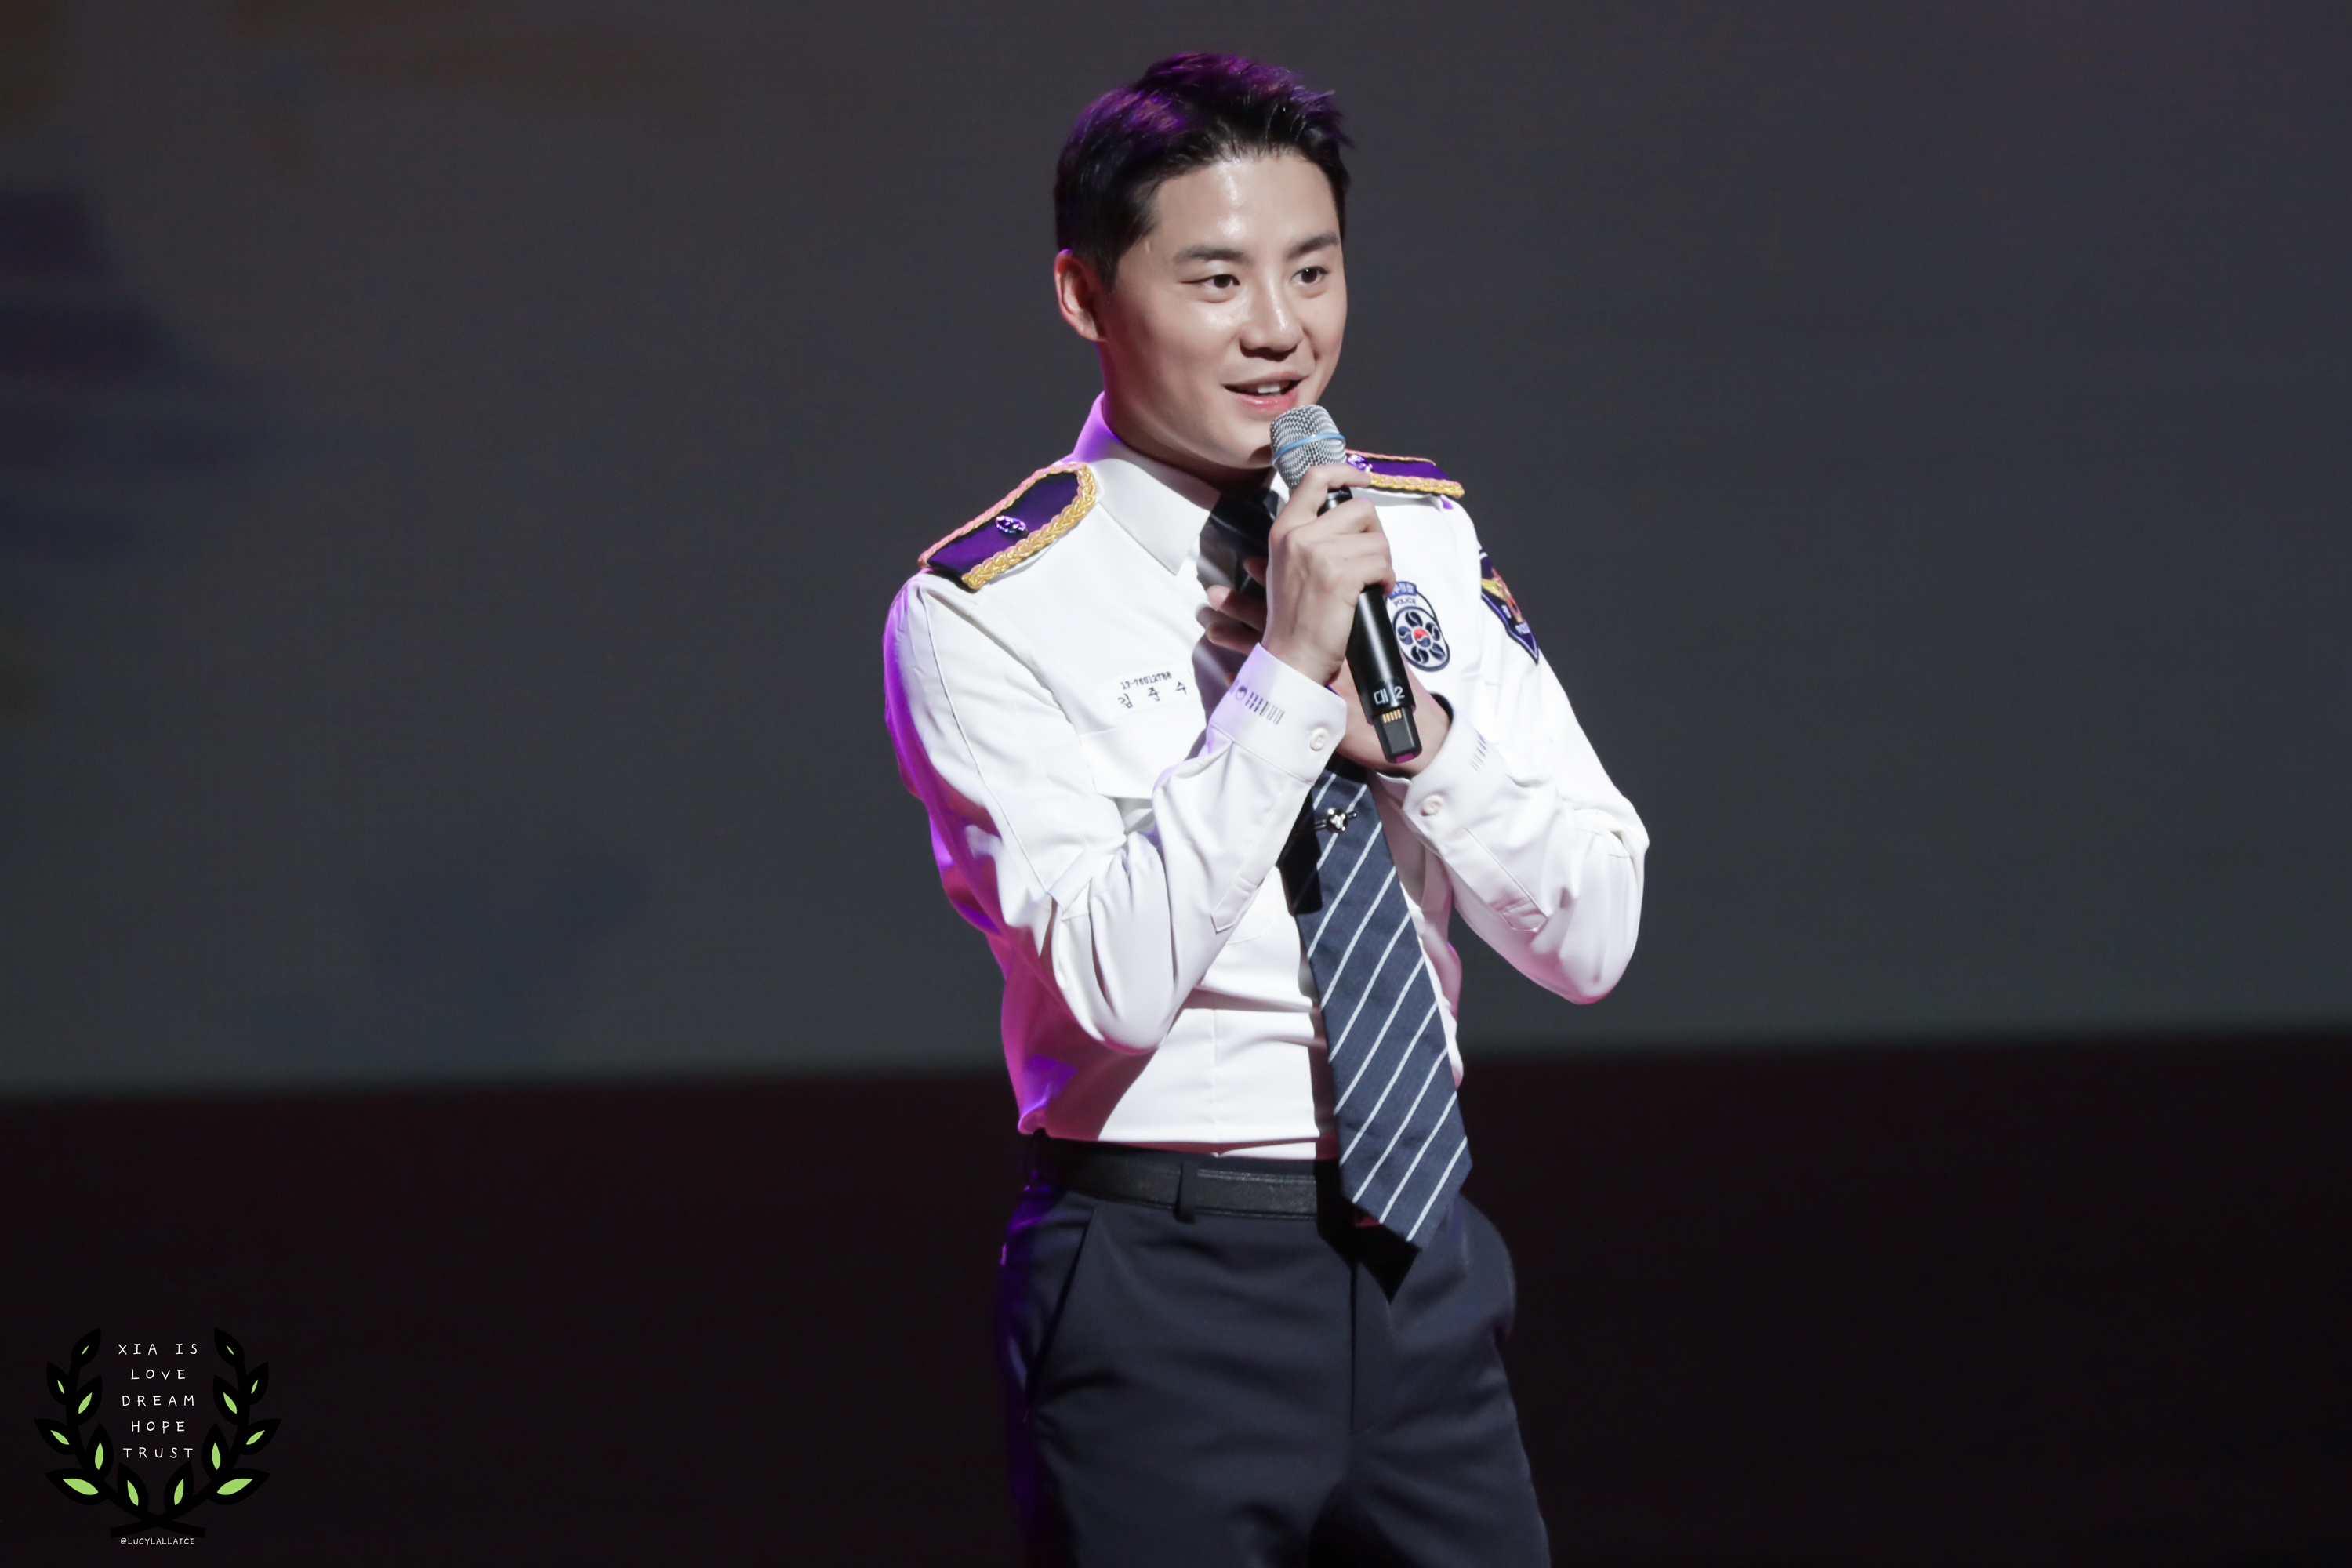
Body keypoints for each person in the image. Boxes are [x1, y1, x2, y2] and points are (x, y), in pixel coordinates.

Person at [882, 52, 1647, 1567]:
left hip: (1421, 1256)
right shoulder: (987, 608)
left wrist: (1418, 742)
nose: (1281, 329)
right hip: (1161, 1273)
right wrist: (1288, 678)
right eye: (1218, 279)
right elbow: (1104, 984)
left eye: (1313, 269)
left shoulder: (1416, 541)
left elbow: (1595, 934)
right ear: (1085, 295)